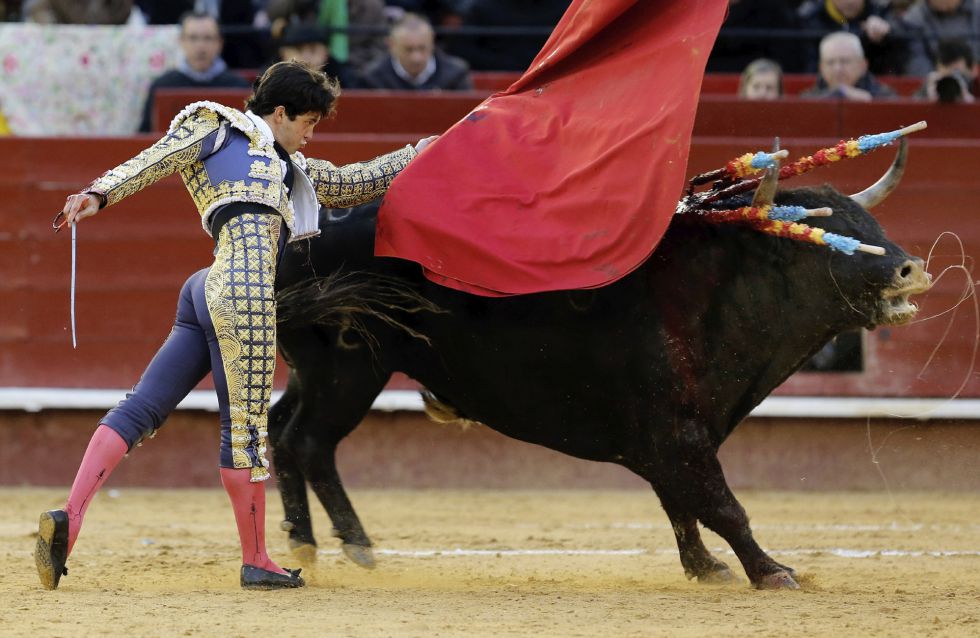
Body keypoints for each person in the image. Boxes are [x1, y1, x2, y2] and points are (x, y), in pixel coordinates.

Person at [34, 59, 437, 592]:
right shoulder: (217, 124)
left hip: (204, 287)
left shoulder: (285, 164)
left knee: (142, 407)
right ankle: (257, 559)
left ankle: (70, 515)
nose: (311, 135)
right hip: (244, 291)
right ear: (280, 112)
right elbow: (159, 157)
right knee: (244, 433)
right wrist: (100, 192)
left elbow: (349, 183)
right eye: (308, 122)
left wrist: (417, 154)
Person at [138, 11, 250, 132]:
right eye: (193, 38)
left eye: (208, 38)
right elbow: (146, 135)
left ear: (220, 43)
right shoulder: (163, 86)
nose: (200, 46)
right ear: (181, 41)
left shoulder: (239, 87)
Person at [358, 12, 472, 90]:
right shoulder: (373, 77)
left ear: (432, 43)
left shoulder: (456, 73)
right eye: (408, 49)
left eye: (422, 48)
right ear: (391, 45)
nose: (416, 58)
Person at [797, 0, 908, 75]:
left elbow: (905, 35)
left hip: (872, 88)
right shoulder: (810, 16)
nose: (850, 1)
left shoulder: (880, 10)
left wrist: (887, 32)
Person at [801, 31, 896, 100]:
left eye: (845, 61)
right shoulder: (806, 99)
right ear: (821, 67)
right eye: (830, 62)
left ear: (863, 65)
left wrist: (871, 104)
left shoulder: (886, 97)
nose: (837, 69)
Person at [902, 0, 980, 76]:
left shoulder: (977, 10)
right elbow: (916, 60)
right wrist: (938, 78)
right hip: (936, 78)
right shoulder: (914, 18)